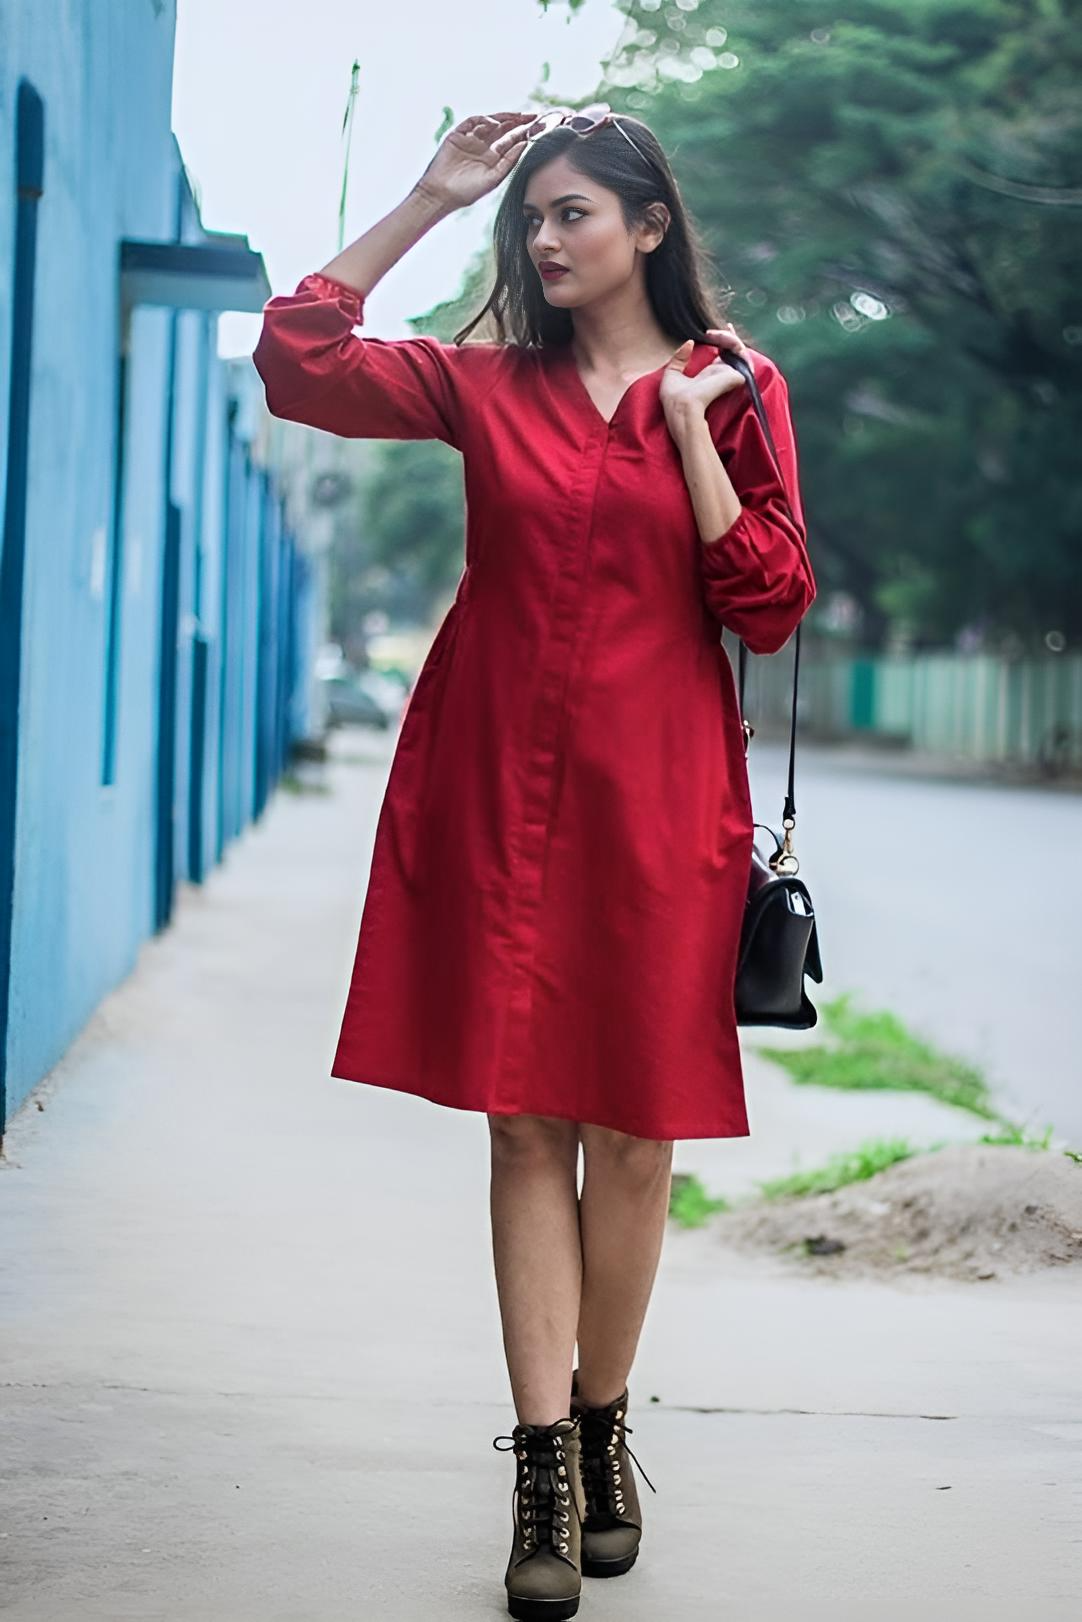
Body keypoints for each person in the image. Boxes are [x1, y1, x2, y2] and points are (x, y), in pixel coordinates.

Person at [253, 104, 815, 1622]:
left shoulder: (738, 385)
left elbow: (764, 600)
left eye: (572, 214)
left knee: (633, 1134)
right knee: (520, 1128)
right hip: (496, 784)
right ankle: (542, 1469)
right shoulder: (485, 383)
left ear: (647, 226)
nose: (545, 239)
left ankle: (603, 1412)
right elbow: (298, 356)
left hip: (654, 798)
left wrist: (696, 433)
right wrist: (433, 198)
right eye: (533, 219)